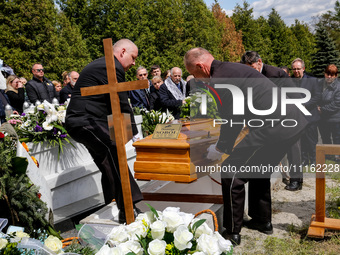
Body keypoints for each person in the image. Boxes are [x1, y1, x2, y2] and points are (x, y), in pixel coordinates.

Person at [184, 47, 308, 245]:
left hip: (274, 126)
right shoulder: (229, 69)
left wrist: (221, 148)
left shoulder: (220, 78)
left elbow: (233, 116)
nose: (194, 78)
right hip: (291, 123)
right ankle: (262, 220)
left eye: (193, 73)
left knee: (231, 172)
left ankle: (232, 232)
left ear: (200, 66)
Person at [65, 38, 143, 224]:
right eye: (133, 57)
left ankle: (114, 203)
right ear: (122, 51)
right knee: (114, 154)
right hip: (86, 121)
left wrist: (121, 134)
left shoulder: (104, 64)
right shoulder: (112, 66)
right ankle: (128, 207)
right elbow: (121, 101)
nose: (133, 63)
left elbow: (109, 103)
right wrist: (132, 133)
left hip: (84, 122)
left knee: (106, 162)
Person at [240, 51, 304, 191]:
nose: (250, 73)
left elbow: (293, 95)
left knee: (293, 146)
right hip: (266, 117)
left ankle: (296, 179)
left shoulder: (275, 74)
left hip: (288, 113)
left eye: (252, 68)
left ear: (260, 62)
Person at [291, 58, 321, 166]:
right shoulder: (290, 81)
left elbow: (317, 96)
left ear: (303, 69)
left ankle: (314, 160)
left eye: (298, 69)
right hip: (297, 117)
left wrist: (304, 105)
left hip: (310, 116)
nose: (296, 71)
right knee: (301, 140)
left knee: (312, 140)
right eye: (294, 69)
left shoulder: (312, 80)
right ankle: (304, 159)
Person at [318, 64, 340, 161]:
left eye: (332, 75)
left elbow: (336, 104)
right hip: (322, 119)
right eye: (328, 74)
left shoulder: (338, 87)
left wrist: (322, 109)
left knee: (336, 138)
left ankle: (337, 156)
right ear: (324, 73)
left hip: (335, 118)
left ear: (336, 75)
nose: (329, 77)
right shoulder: (320, 83)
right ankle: (328, 155)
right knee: (325, 137)